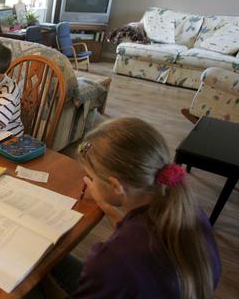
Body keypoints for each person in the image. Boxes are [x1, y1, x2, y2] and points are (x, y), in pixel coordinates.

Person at [33, 117, 221, 298]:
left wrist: (38, 275)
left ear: (116, 186)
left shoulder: (113, 259)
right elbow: (135, 234)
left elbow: (122, 256)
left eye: (93, 177)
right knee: (58, 260)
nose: (90, 181)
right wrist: (106, 204)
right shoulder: (185, 206)